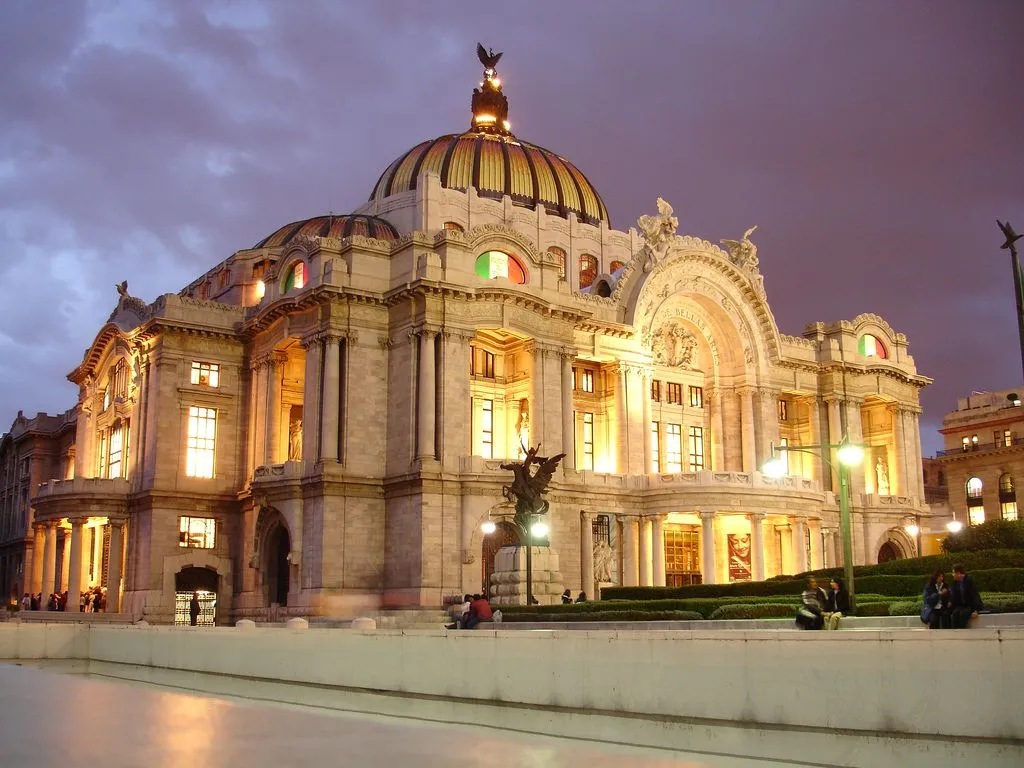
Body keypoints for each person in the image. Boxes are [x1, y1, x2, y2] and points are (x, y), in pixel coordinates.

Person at [949, 564, 983, 629]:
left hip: (970, 606)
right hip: (960, 606)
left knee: (963, 614)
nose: (953, 575)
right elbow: (954, 597)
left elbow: (975, 596)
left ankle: (962, 632)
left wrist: (976, 610)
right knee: (955, 614)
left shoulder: (969, 581)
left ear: (958, 573)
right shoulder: (955, 583)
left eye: (953, 573)